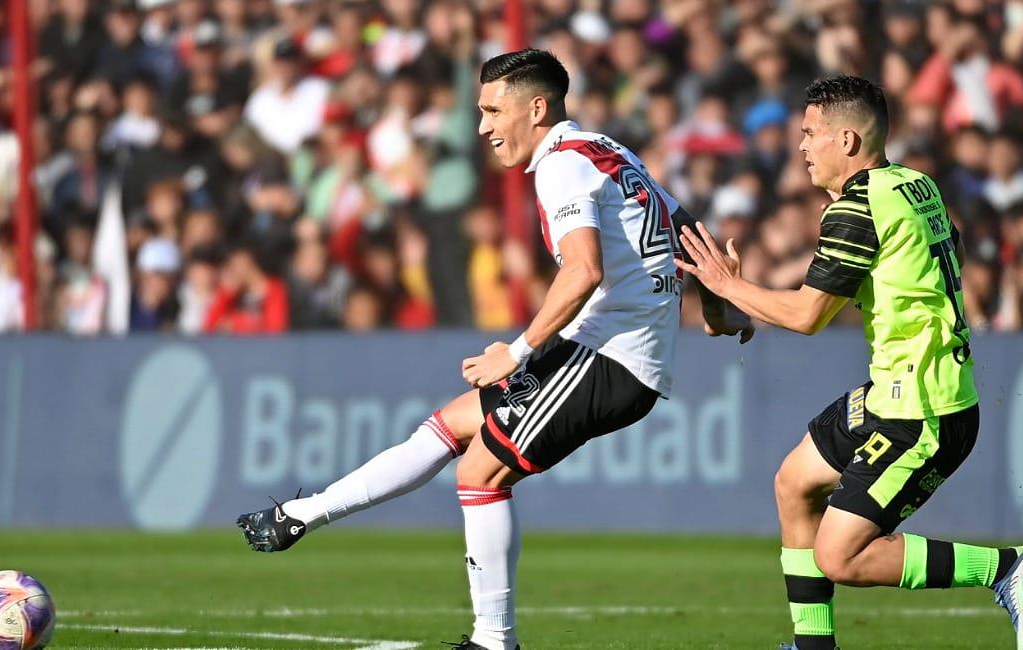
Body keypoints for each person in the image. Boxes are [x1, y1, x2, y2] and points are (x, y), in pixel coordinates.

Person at [235, 48, 750, 650]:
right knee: (449, 426)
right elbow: (684, 233)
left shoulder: (563, 164)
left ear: (536, 108)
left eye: (491, 110)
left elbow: (582, 271)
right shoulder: (608, 150)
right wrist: (717, 309)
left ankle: (493, 642)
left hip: (612, 358)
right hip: (602, 350)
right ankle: (303, 515)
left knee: (480, 472)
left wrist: (520, 349)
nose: (483, 127)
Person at [674, 75, 1023, 650]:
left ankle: (1005, 569)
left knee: (838, 556)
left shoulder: (859, 207)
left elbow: (806, 316)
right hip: (899, 388)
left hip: (923, 409)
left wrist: (730, 284)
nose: (800, 146)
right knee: (795, 482)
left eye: (809, 134)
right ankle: (812, 647)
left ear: (847, 141)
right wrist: (740, 307)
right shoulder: (913, 184)